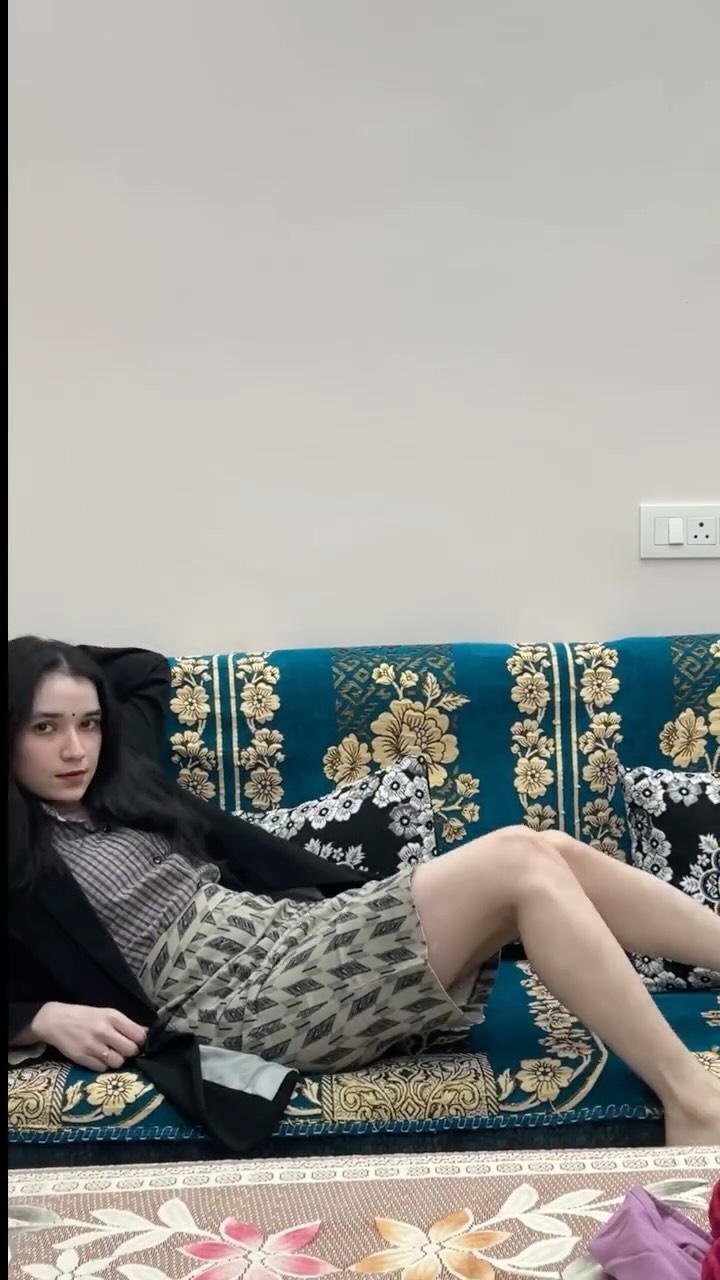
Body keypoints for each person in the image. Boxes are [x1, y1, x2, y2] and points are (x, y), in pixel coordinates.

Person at [8, 636, 720, 1150]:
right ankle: (694, 1100)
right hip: (242, 1004)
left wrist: (52, 674)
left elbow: (140, 669)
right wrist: (39, 1018)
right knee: (518, 859)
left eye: (88, 723)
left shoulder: (116, 774)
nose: (75, 749)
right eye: (44, 728)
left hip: (286, 936)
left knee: (549, 848)